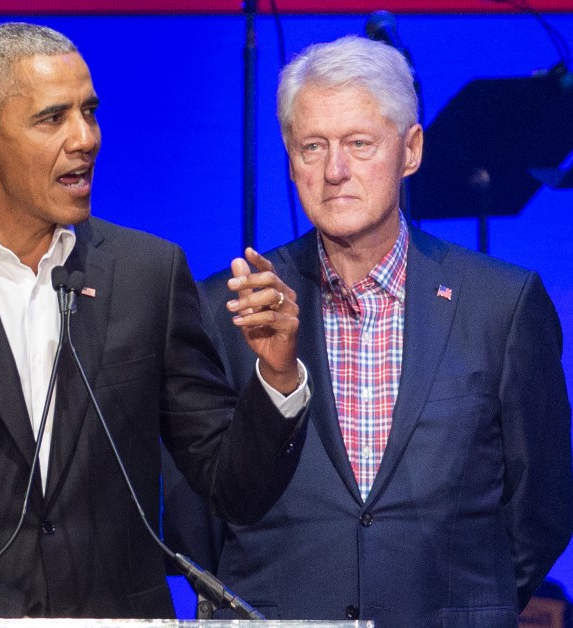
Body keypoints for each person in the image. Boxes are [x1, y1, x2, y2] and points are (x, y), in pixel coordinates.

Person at [0, 21, 310, 619]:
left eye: (90, 112)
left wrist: (278, 379)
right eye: (52, 118)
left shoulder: (148, 274)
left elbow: (230, 486)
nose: (85, 139)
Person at [193, 35, 573, 626]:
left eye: (359, 144)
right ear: (290, 159)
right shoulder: (230, 305)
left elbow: (540, 511)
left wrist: (464, 609)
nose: (335, 171)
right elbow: (201, 513)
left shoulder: (502, 304)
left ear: (411, 149)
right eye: (311, 146)